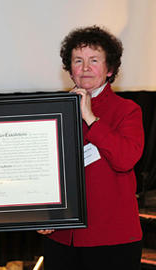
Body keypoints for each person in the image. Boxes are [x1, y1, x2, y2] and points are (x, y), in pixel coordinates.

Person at [38, 26, 144, 270]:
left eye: (94, 60)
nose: (85, 68)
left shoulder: (127, 110)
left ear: (110, 70)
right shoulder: (52, 110)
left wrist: (90, 117)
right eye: (78, 60)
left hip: (112, 239)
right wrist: (41, 213)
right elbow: (42, 170)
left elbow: (125, 159)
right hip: (62, 237)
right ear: (70, 69)